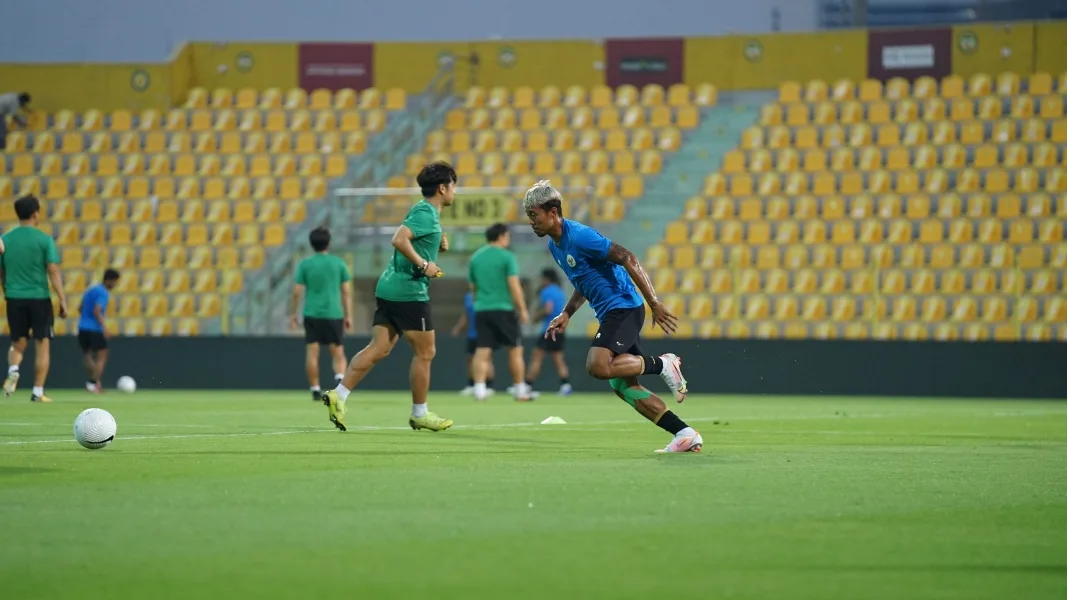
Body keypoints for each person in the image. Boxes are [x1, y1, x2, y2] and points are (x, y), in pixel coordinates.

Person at [524, 180, 702, 453]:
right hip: (611, 311)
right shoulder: (555, 246)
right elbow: (583, 282)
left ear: (553, 212)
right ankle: (684, 433)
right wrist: (567, 312)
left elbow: (627, 257)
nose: (531, 222)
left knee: (597, 365)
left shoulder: (580, 236)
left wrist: (653, 302)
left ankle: (663, 364)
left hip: (624, 306)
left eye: (533, 215)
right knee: (622, 385)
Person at [320, 161, 455, 432]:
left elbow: (413, 238)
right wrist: (424, 265)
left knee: (379, 348)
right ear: (442, 188)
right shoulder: (426, 213)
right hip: (409, 292)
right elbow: (399, 239)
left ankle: (339, 394)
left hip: (389, 288)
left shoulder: (424, 212)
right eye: (453, 186)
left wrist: (435, 244)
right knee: (426, 352)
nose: (455, 191)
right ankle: (419, 413)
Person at [1, 195, 68, 403]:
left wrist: (7, 290)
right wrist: (62, 299)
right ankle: (38, 391)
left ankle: (13, 369)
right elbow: (53, 271)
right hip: (39, 298)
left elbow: (1, 272)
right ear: (35, 213)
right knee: (42, 343)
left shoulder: (6, 240)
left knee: (17, 343)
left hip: (14, 297)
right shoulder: (44, 240)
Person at [468, 223, 531, 402]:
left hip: (482, 309)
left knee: (482, 350)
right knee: (515, 350)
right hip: (504, 309)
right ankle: (520, 390)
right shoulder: (507, 256)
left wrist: (478, 302)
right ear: (502, 236)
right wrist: (522, 309)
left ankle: (479, 390)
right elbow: (514, 285)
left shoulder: (476, 257)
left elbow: (473, 287)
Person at [290, 227, 352, 402]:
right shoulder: (338, 263)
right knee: (338, 352)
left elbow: (296, 292)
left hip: (312, 313)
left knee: (312, 352)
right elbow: (346, 291)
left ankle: (315, 389)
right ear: (329, 243)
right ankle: (339, 379)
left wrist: (293, 313)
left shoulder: (305, 264)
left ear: (311, 244)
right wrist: (348, 315)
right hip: (334, 313)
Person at [526, 268, 572, 395]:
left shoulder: (546, 291)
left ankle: (527, 385)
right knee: (558, 359)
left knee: (536, 357)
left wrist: (535, 317)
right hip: (560, 330)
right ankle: (565, 386)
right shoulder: (560, 292)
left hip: (548, 329)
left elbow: (548, 309)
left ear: (546, 279)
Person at [78, 269, 120, 393]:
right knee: (102, 355)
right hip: (95, 329)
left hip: (82, 327)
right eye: (115, 282)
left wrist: (85, 318)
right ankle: (93, 383)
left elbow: (80, 308)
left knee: (87, 355)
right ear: (109, 280)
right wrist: (105, 328)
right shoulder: (103, 292)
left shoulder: (91, 289)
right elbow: (97, 310)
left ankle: (93, 383)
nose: (115, 285)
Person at [451, 290, 495, 396]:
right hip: (472, 334)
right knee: (470, 360)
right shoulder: (468, 297)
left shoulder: (487, 294)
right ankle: (471, 385)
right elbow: (466, 314)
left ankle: (488, 386)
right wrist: (458, 328)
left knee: (486, 359)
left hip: (485, 333)